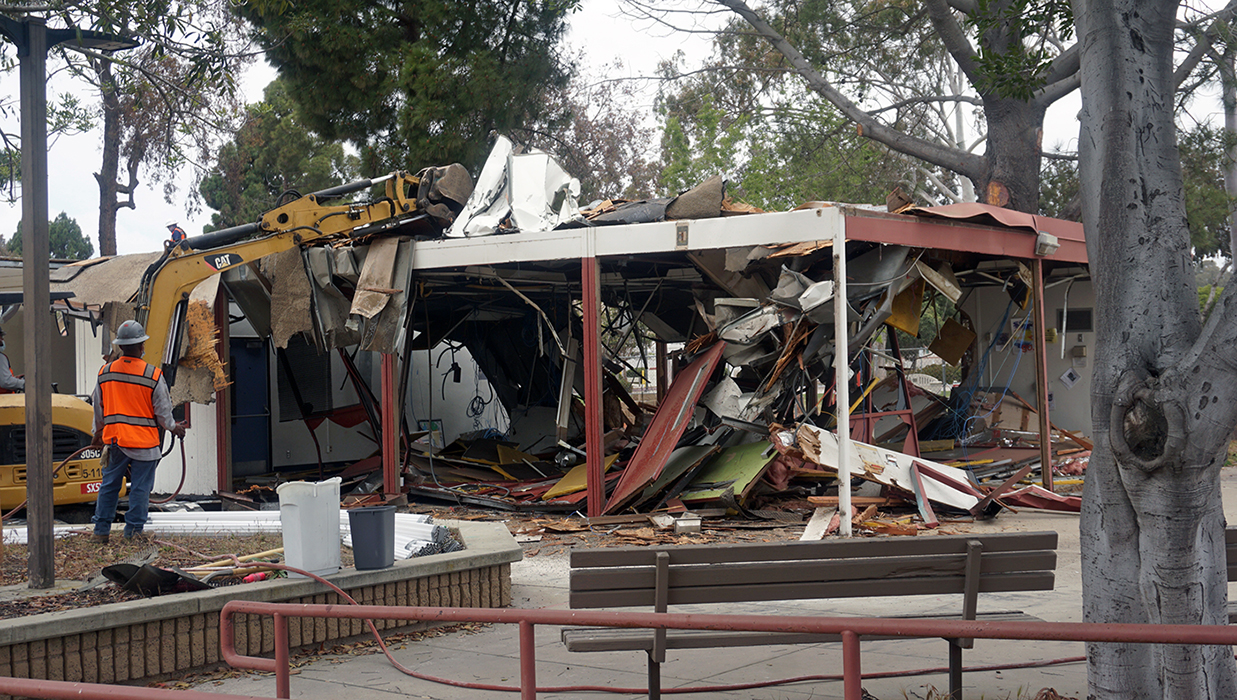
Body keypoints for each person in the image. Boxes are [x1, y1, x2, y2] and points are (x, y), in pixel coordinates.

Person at [90, 320, 186, 543]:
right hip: (144, 444)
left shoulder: (105, 372)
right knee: (140, 489)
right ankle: (133, 533)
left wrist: (97, 433)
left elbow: (98, 407)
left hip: (115, 441)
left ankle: (100, 532)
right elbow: (163, 412)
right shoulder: (152, 375)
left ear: (121, 346)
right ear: (141, 345)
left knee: (109, 485)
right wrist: (175, 428)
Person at [0, 327, 23, 394]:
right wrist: (24, 383)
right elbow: (6, 382)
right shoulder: (1, 358)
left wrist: (15, 379)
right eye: (1, 337)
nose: (2, 339)